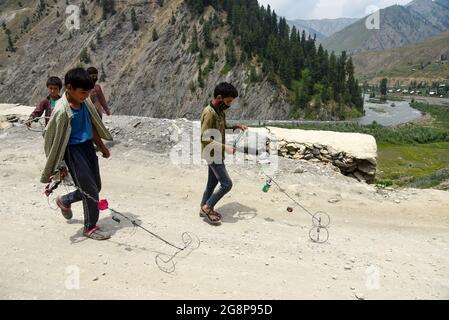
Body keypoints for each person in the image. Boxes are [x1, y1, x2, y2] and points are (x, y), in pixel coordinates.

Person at [41, 68, 113, 240]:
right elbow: (53, 139)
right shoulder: (61, 112)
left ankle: (65, 200)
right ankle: (90, 227)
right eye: (82, 92)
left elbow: (93, 126)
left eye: (88, 92)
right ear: (70, 88)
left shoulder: (85, 104)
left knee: (96, 187)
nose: (86, 95)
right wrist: (60, 165)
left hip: (88, 148)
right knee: (91, 191)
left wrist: (102, 147)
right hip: (73, 152)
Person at [200, 82, 248, 225]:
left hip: (217, 153)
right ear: (219, 97)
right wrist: (225, 147)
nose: (229, 105)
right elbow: (205, 138)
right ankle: (208, 207)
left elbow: (223, 126)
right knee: (227, 184)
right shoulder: (209, 113)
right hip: (212, 154)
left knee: (212, 183)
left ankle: (203, 208)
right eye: (228, 101)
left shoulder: (220, 112)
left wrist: (236, 126)